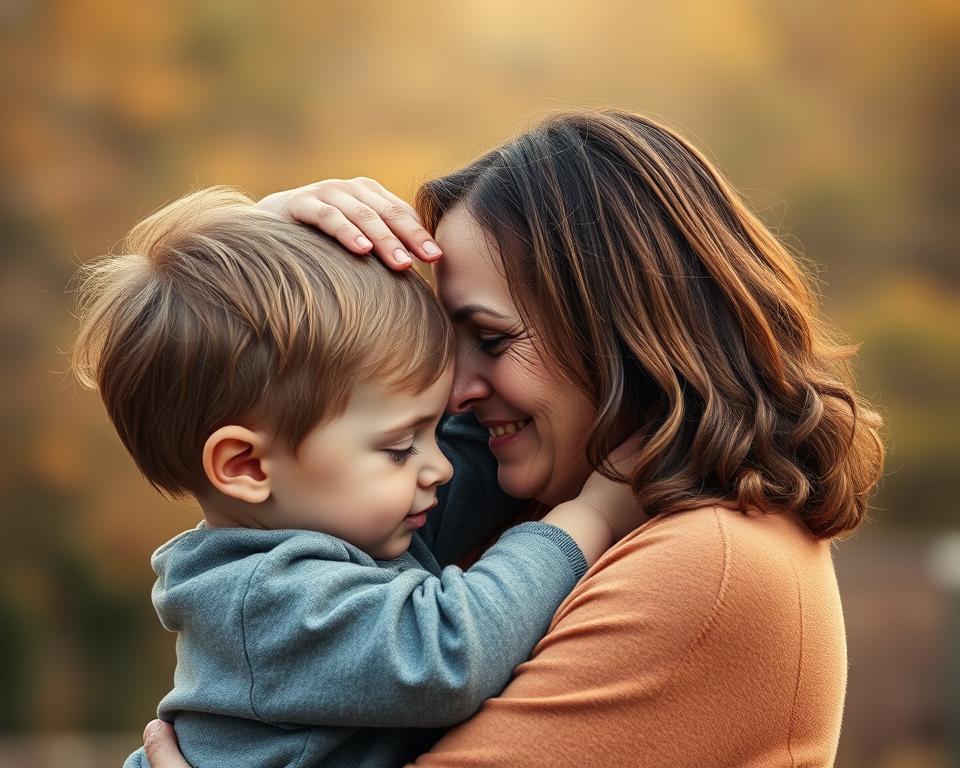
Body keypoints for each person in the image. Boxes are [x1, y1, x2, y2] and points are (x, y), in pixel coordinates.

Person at [142, 110, 884, 767]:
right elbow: (284, 507)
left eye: (489, 339)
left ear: (618, 335)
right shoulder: (539, 496)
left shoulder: (711, 561)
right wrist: (256, 280)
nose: (456, 390)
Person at [71, 187, 639, 768]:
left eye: (434, 429)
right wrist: (588, 516)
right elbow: (448, 655)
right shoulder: (262, 598)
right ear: (246, 466)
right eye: (400, 447)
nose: (440, 465)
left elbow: (482, 444)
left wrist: (272, 237)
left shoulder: (349, 519)